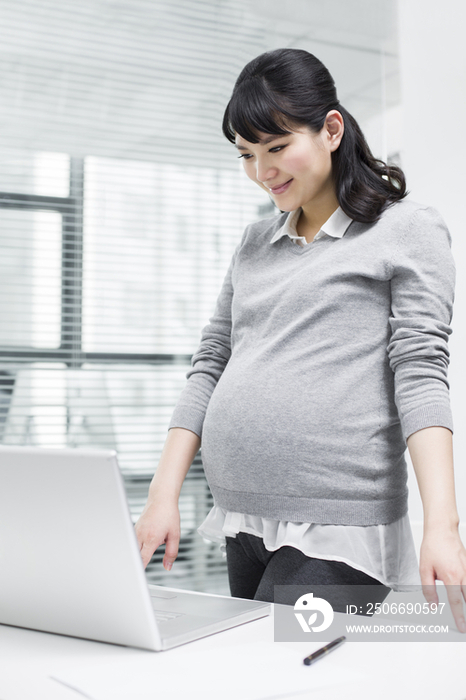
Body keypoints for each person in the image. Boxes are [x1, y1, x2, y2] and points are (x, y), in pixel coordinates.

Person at [136, 48, 466, 628]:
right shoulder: (254, 243)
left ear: (331, 129)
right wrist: (164, 492)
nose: (262, 171)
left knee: (290, 677)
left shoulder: (406, 230)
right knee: (253, 678)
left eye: (277, 146)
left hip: (339, 526)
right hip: (243, 518)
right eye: (245, 154)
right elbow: (211, 362)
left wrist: (442, 525)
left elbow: (420, 371)